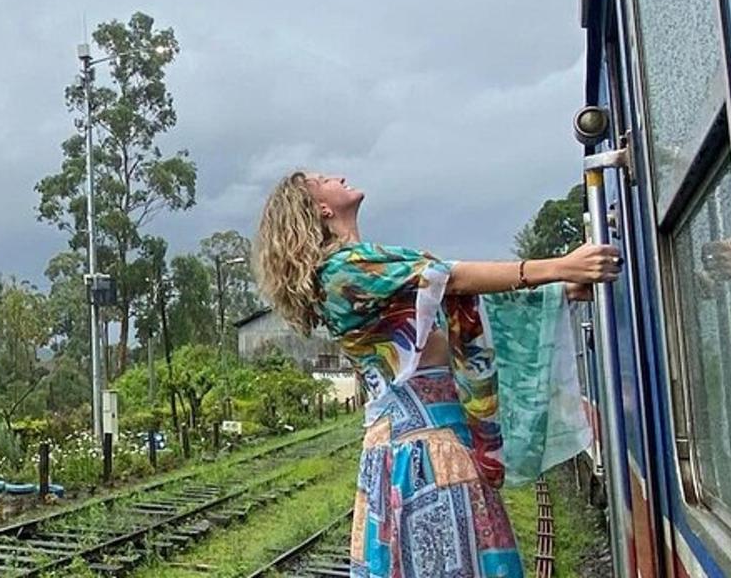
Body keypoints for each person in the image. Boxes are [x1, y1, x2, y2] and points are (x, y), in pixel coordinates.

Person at [253, 172, 619, 578]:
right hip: (423, 453)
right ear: (321, 209)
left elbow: (462, 313)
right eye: (324, 179)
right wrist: (558, 267)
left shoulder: (365, 272)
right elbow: (452, 278)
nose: (338, 176)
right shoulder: (344, 272)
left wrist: (561, 289)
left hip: (427, 444)